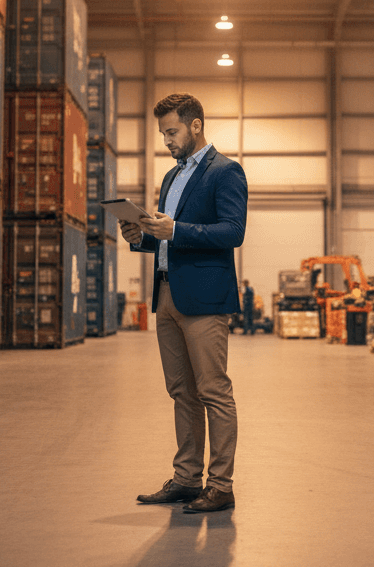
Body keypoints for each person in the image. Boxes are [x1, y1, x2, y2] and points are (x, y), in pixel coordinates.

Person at [122, 93, 248, 514]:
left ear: (196, 126)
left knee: (213, 390)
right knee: (182, 392)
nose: (167, 141)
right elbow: (167, 238)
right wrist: (142, 237)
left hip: (205, 299)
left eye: (172, 132)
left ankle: (221, 486)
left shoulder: (225, 172)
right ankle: (186, 479)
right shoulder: (171, 178)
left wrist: (175, 229)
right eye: (163, 134)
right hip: (167, 294)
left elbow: (232, 231)